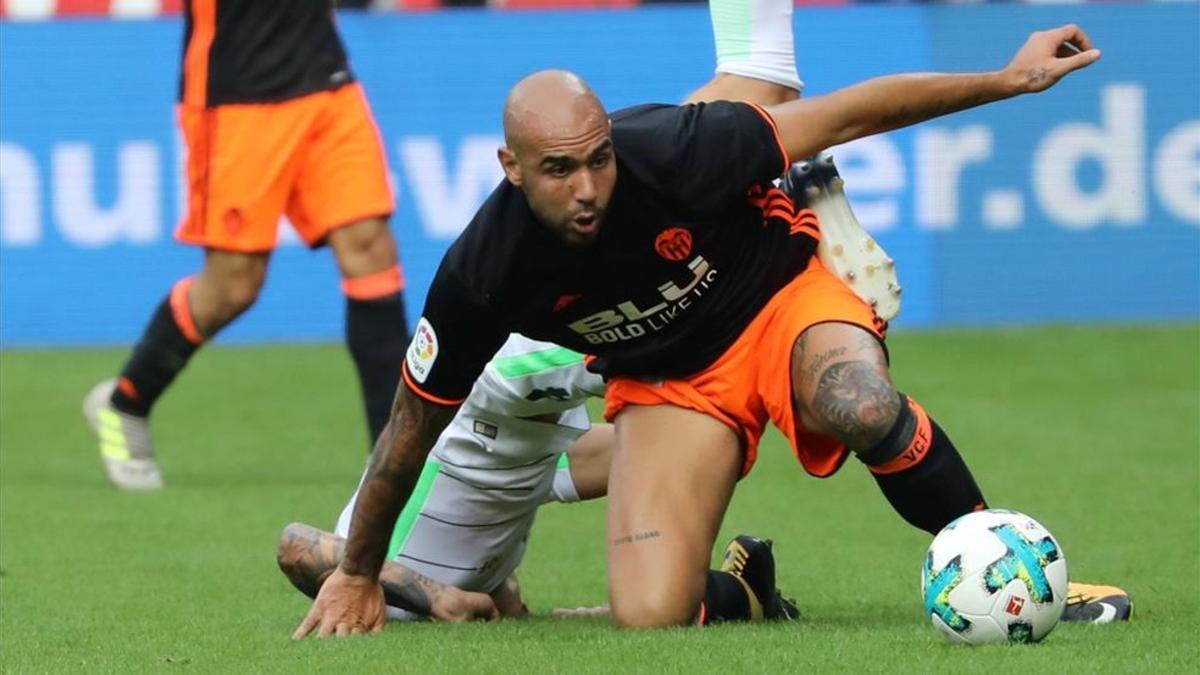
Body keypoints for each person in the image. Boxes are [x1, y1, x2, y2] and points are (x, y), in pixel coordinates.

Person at [295, 23, 1111, 635]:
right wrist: (358, 570)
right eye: (558, 169)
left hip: (778, 301)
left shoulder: (675, 147)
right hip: (670, 383)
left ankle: (1023, 569)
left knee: (859, 402)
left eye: (598, 158)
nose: (588, 186)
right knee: (649, 613)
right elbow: (411, 423)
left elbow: (844, 115)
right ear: (511, 168)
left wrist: (1009, 79)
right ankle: (748, 589)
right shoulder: (482, 271)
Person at [82, 0, 410, 489]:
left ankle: (395, 467)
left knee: (370, 248)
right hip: (235, 92)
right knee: (233, 285)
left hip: (325, 79)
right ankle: (125, 402)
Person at [278, 333, 795, 625]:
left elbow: (298, 546)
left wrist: (436, 595)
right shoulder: (503, 455)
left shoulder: (499, 399)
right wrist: (478, 592)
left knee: (677, 376)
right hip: (517, 452)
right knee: (688, 426)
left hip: (494, 425)